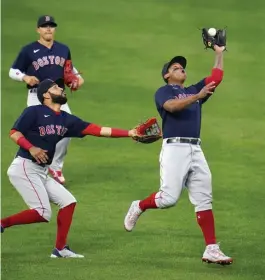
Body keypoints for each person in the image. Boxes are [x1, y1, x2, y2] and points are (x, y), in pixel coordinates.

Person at [1, 79, 138, 258]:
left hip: (41, 171)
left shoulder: (66, 119)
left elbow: (97, 130)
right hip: (25, 167)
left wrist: (129, 133)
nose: (61, 88)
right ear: (45, 95)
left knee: (68, 202)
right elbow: (14, 132)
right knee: (43, 212)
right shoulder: (33, 111)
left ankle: (60, 249)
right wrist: (31, 148)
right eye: (56, 87)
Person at [123, 46, 233, 265]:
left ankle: (211, 248)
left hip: (196, 149)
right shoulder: (164, 92)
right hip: (174, 149)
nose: (181, 69)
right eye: (175, 67)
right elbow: (172, 107)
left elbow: (216, 77)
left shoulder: (194, 89)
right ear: (167, 75)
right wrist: (197, 97)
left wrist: (219, 52)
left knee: (204, 197)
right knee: (168, 198)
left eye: (182, 67)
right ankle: (140, 205)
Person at [9, 15, 84, 185]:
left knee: (66, 130)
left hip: (58, 97)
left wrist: (77, 79)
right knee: (33, 133)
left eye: (51, 26)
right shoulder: (28, 50)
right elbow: (13, 71)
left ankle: (55, 167)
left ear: (54, 29)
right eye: (44, 26)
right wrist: (25, 77)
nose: (48, 29)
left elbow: (69, 68)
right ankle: (22, 165)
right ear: (38, 30)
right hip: (36, 95)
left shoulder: (63, 49)